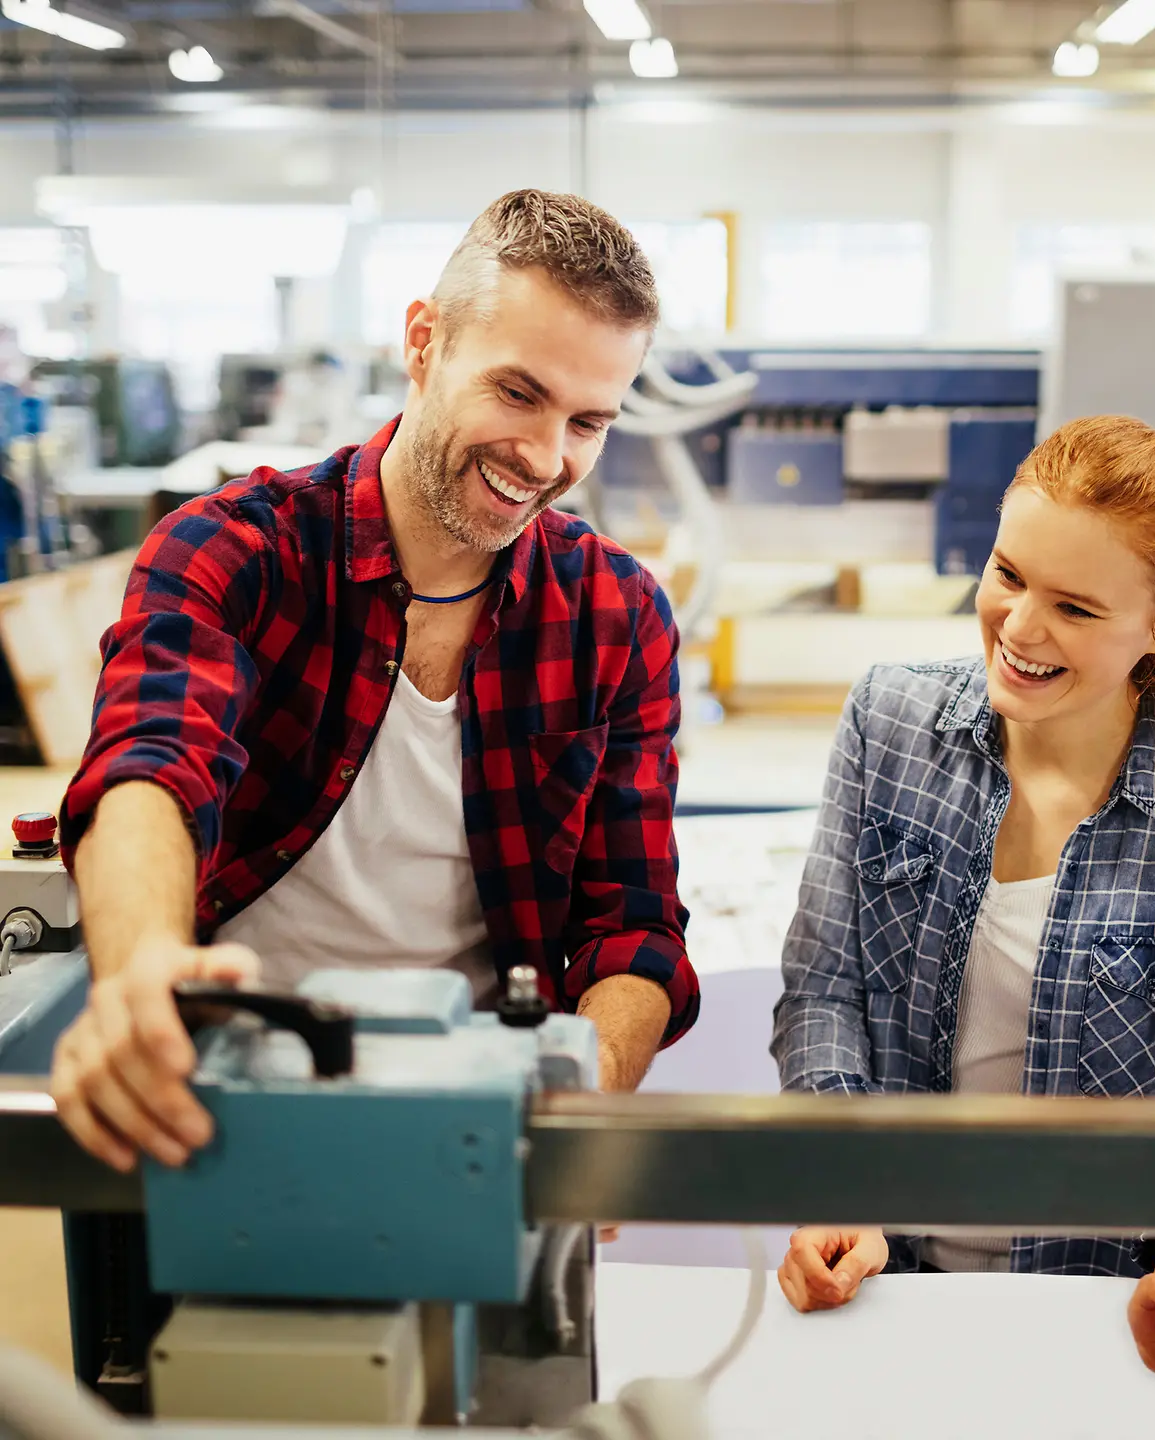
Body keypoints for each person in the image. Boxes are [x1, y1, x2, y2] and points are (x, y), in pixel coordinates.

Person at [51, 189, 698, 1173]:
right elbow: (149, 767)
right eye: (518, 393)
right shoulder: (234, 554)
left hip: (481, 1123)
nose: (544, 457)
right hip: (220, 1100)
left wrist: (584, 1099)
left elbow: (633, 926)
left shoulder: (617, 617)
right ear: (425, 342)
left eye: (588, 422)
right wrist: (143, 972)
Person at [771, 414, 1155, 1387]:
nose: (1020, 628)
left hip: (1091, 1317)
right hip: (888, 1291)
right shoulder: (889, 724)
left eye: (1076, 608)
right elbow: (821, 992)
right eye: (1009, 575)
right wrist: (839, 1192)